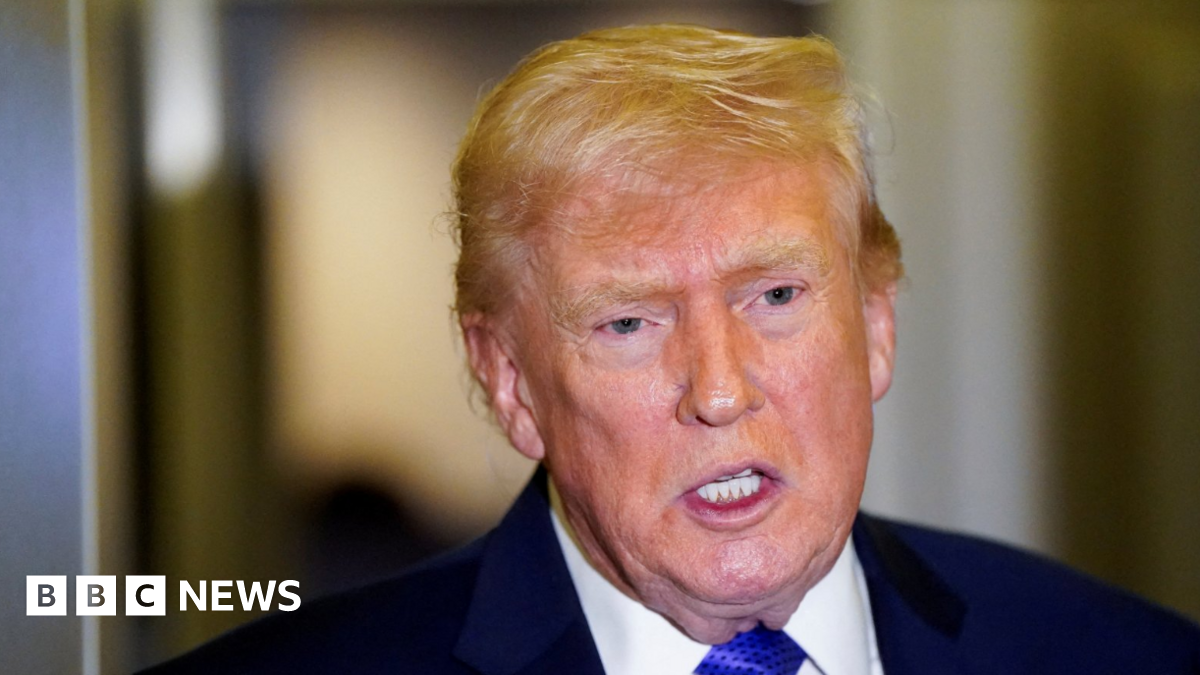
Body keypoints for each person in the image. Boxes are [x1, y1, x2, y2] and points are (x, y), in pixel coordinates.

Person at [142, 24, 1200, 675]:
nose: (721, 390)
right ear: (509, 381)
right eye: (630, 323)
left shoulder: (1127, 657)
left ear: (877, 323)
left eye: (777, 295)